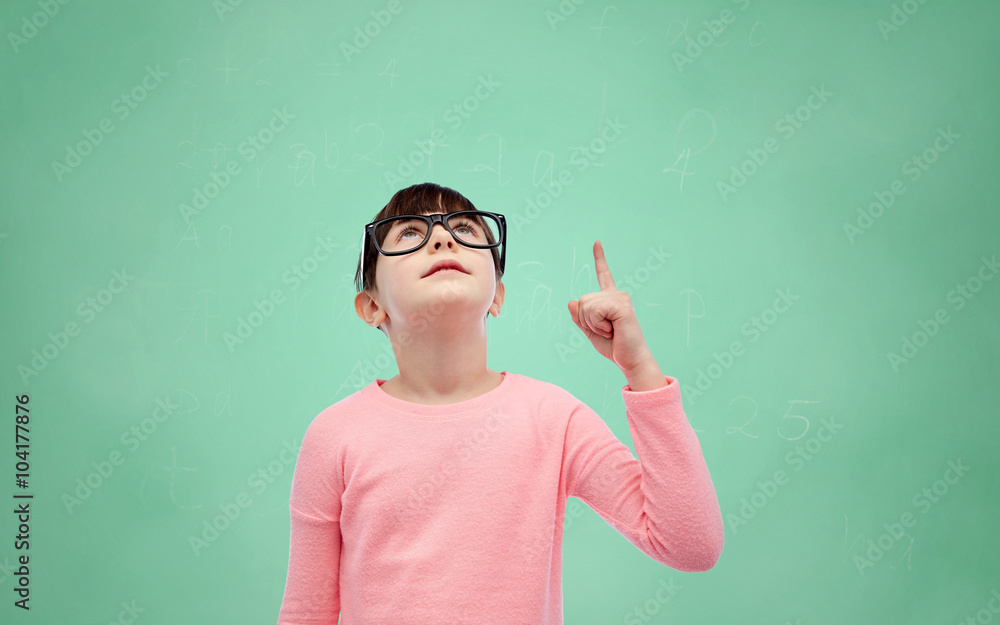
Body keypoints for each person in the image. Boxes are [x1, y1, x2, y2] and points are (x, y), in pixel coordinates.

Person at [276, 182, 724, 624]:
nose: (443, 237)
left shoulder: (553, 418)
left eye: (467, 229)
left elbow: (691, 546)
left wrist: (640, 367)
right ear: (371, 306)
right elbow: (307, 611)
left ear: (498, 295)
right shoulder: (335, 435)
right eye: (410, 232)